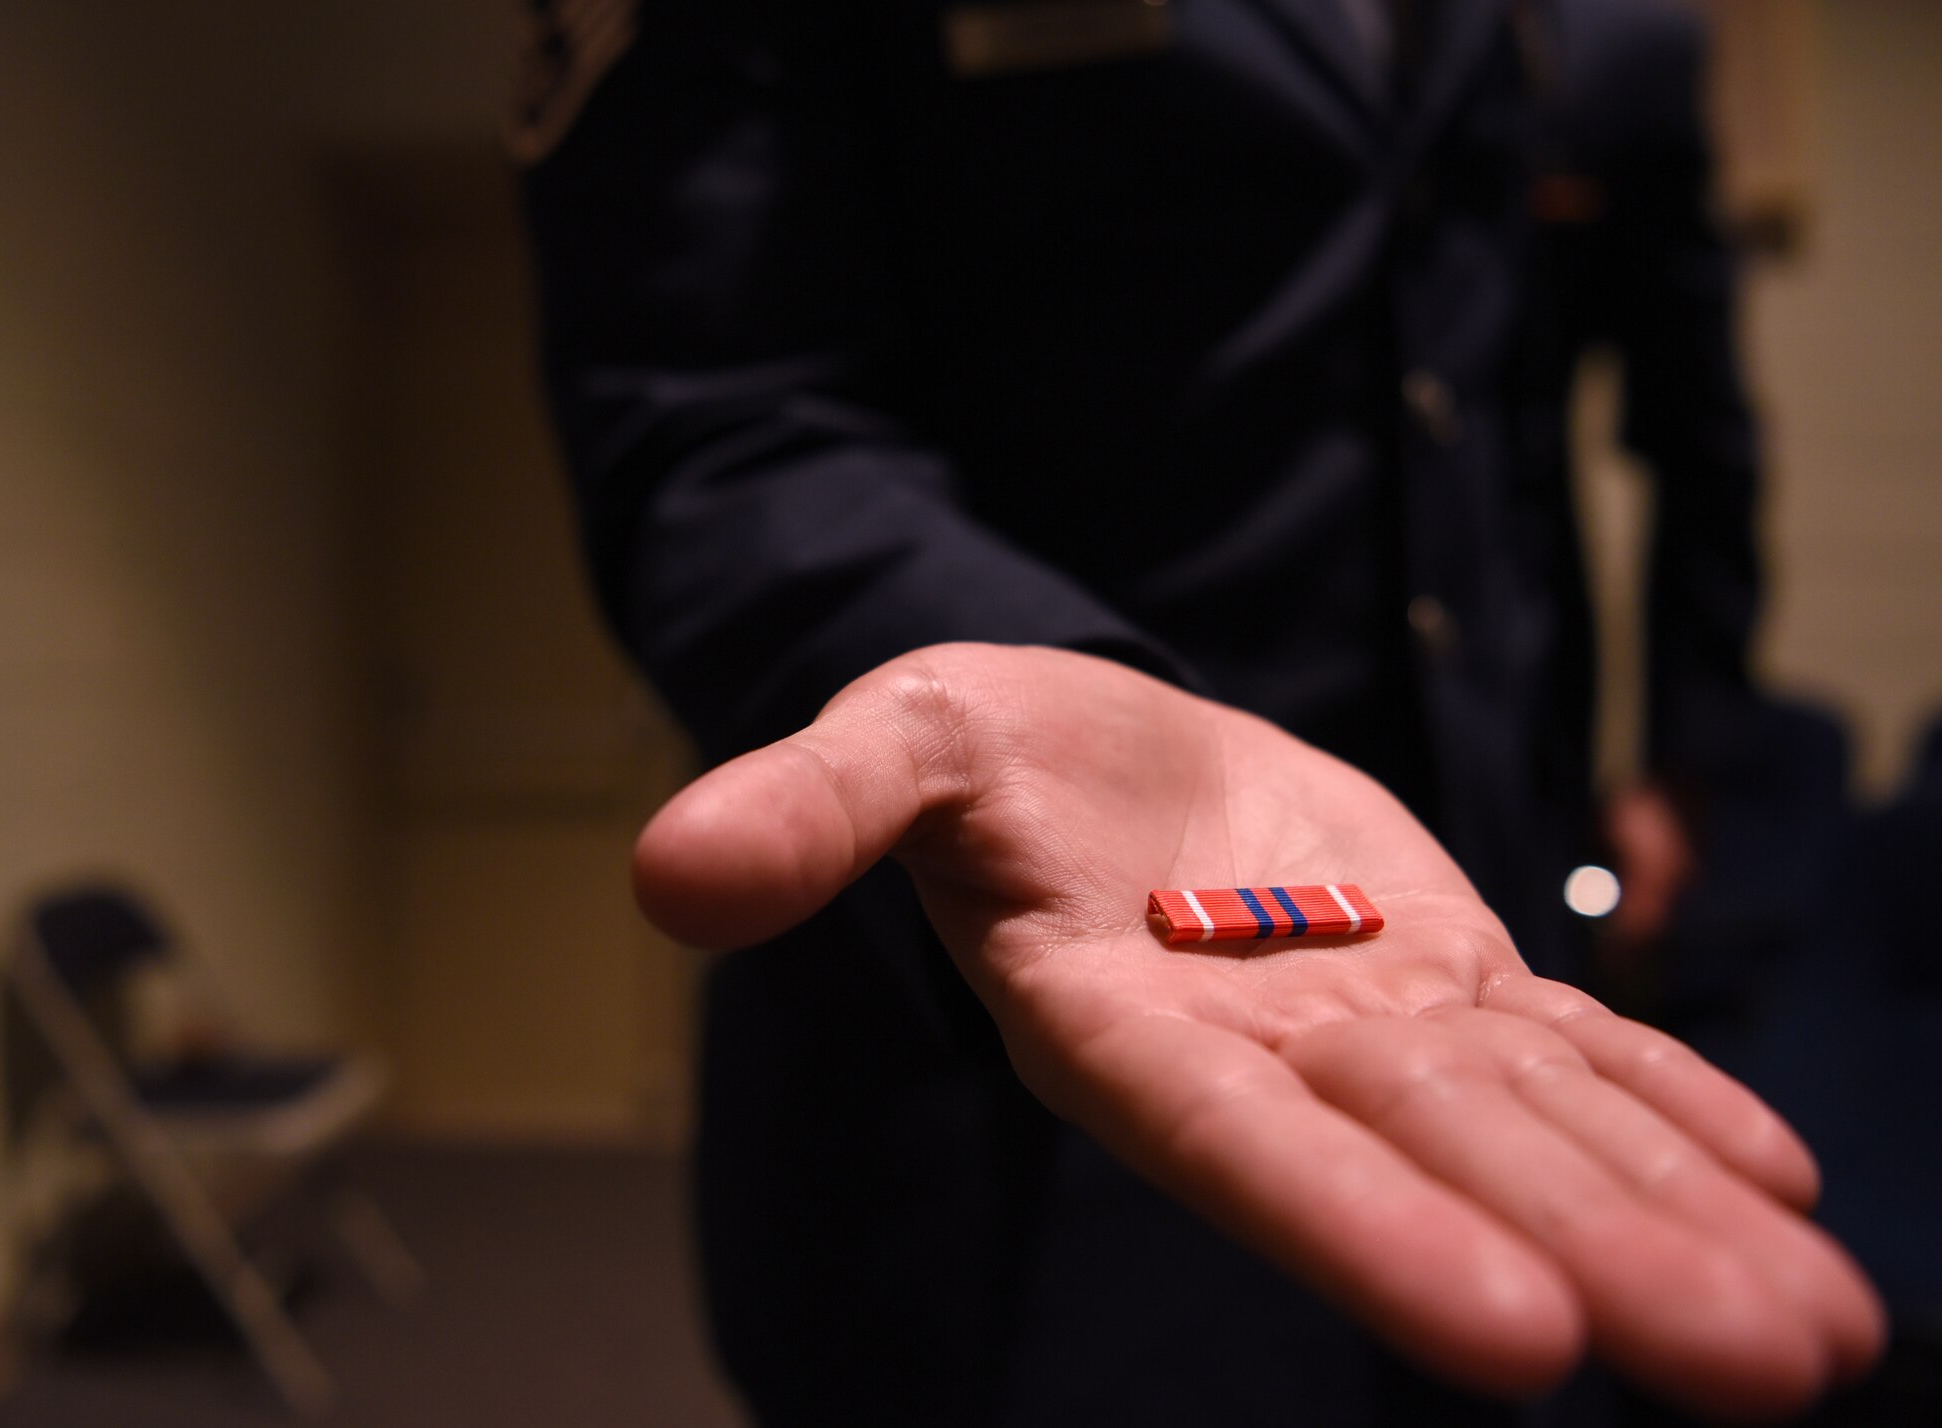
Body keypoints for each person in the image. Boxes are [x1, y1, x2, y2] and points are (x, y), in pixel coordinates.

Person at [514, 0, 1883, 1421]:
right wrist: (1000, 689)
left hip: (1476, 946)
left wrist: (1683, 751)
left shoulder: (1632, 29)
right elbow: (717, 405)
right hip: (999, 1032)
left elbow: (1684, 411)